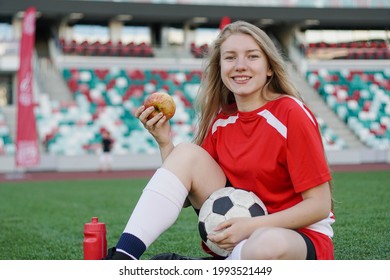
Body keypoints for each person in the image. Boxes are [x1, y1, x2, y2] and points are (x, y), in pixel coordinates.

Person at [106, 20, 335, 260]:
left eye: (252, 56)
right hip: (241, 236)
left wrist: (252, 227)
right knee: (185, 152)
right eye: (230, 58)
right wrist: (165, 143)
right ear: (220, 67)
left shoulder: (291, 113)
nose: (240, 66)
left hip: (294, 237)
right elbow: (184, 197)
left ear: (269, 67)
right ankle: (123, 258)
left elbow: (319, 206)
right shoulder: (221, 121)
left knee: (265, 244)